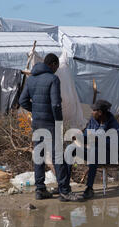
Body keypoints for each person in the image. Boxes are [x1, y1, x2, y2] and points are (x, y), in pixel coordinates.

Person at [19, 53, 80, 202]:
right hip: (50, 124)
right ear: (52, 64)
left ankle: (40, 190)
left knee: (39, 156)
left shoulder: (31, 78)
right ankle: (64, 191)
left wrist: (36, 110)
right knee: (57, 156)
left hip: (37, 123)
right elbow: (55, 104)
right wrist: (58, 122)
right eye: (56, 67)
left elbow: (22, 100)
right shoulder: (53, 79)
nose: (56, 70)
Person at [77, 100, 119, 200]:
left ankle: (89, 188)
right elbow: (86, 136)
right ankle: (64, 187)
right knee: (70, 150)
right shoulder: (93, 120)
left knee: (94, 151)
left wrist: (99, 140)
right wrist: (79, 138)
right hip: (94, 153)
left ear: (100, 112)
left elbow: (114, 143)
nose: (92, 112)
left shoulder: (113, 124)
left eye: (93, 110)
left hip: (110, 155)